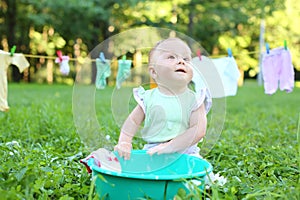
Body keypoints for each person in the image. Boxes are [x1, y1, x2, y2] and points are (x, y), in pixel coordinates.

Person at [114, 37, 211, 160]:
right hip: (153, 152)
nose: (181, 61)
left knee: (197, 175)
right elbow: (133, 121)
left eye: (186, 59)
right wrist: (125, 142)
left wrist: (170, 146)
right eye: (171, 57)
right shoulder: (148, 98)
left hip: (185, 154)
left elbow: (198, 130)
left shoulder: (194, 99)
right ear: (154, 72)